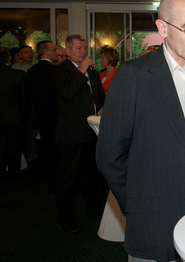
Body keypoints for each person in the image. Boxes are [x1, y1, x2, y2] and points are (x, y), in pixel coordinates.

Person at [96, 0, 185, 262]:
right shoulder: (134, 76)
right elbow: (109, 155)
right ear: (163, 28)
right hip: (155, 211)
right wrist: (137, 204)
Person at [52, 34, 106, 233]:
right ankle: (65, 219)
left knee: (90, 174)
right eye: (79, 48)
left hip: (91, 130)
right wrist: (81, 71)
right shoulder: (61, 71)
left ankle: (94, 206)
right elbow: (66, 94)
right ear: (67, 51)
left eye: (85, 48)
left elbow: (99, 95)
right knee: (68, 178)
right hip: (70, 134)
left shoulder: (91, 71)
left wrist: (101, 107)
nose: (83, 52)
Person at [25, 41, 59, 192]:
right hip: (55, 116)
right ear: (46, 53)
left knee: (45, 148)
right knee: (55, 150)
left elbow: (28, 95)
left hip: (40, 116)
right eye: (54, 50)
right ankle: (55, 179)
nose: (56, 53)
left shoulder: (31, 71)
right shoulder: (54, 71)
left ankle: (46, 177)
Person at [0, 47, 25, 180]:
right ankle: (13, 175)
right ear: (9, 58)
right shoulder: (17, 74)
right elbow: (24, 99)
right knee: (14, 149)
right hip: (14, 118)